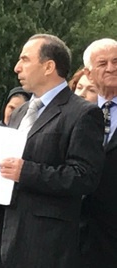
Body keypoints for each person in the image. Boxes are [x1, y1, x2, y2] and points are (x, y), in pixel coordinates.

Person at [0, 34, 105, 268]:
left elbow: (85, 177)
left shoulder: (82, 113)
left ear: (48, 66)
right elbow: (4, 165)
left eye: (25, 60)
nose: (16, 67)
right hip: (0, 237)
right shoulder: (20, 112)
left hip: (44, 245)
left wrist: (27, 172)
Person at [80, 38, 117, 268]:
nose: (111, 68)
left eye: (116, 62)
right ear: (89, 72)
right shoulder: (76, 114)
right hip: (78, 235)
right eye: (103, 63)